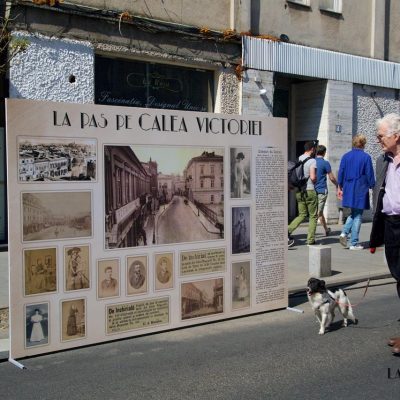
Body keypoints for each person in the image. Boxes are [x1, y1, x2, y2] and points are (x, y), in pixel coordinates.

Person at [372, 113, 400, 355]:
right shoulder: (383, 160)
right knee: (398, 277)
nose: (378, 139)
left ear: (396, 136)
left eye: (381, 136)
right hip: (391, 226)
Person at [337, 134, 375, 250]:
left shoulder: (346, 156)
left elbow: (341, 172)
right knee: (358, 215)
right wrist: (372, 185)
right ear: (363, 144)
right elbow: (369, 173)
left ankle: (344, 233)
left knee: (354, 213)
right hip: (360, 188)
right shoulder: (366, 157)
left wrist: (340, 186)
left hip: (348, 187)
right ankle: (353, 243)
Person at [288, 140, 318, 246]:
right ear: (312, 149)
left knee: (302, 214)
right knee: (313, 216)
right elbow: (313, 177)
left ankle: (287, 230)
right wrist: (316, 180)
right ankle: (310, 240)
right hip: (310, 190)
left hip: (299, 191)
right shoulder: (312, 161)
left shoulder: (299, 158)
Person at [314, 145, 338, 236]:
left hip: (312, 190)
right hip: (322, 190)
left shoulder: (312, 162)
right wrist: (338, 185)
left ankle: (326, 229)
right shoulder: (325, 163)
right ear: (324, 153)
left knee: (318, 212)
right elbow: (331, 177)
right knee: (318, 212)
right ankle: (312, 233)